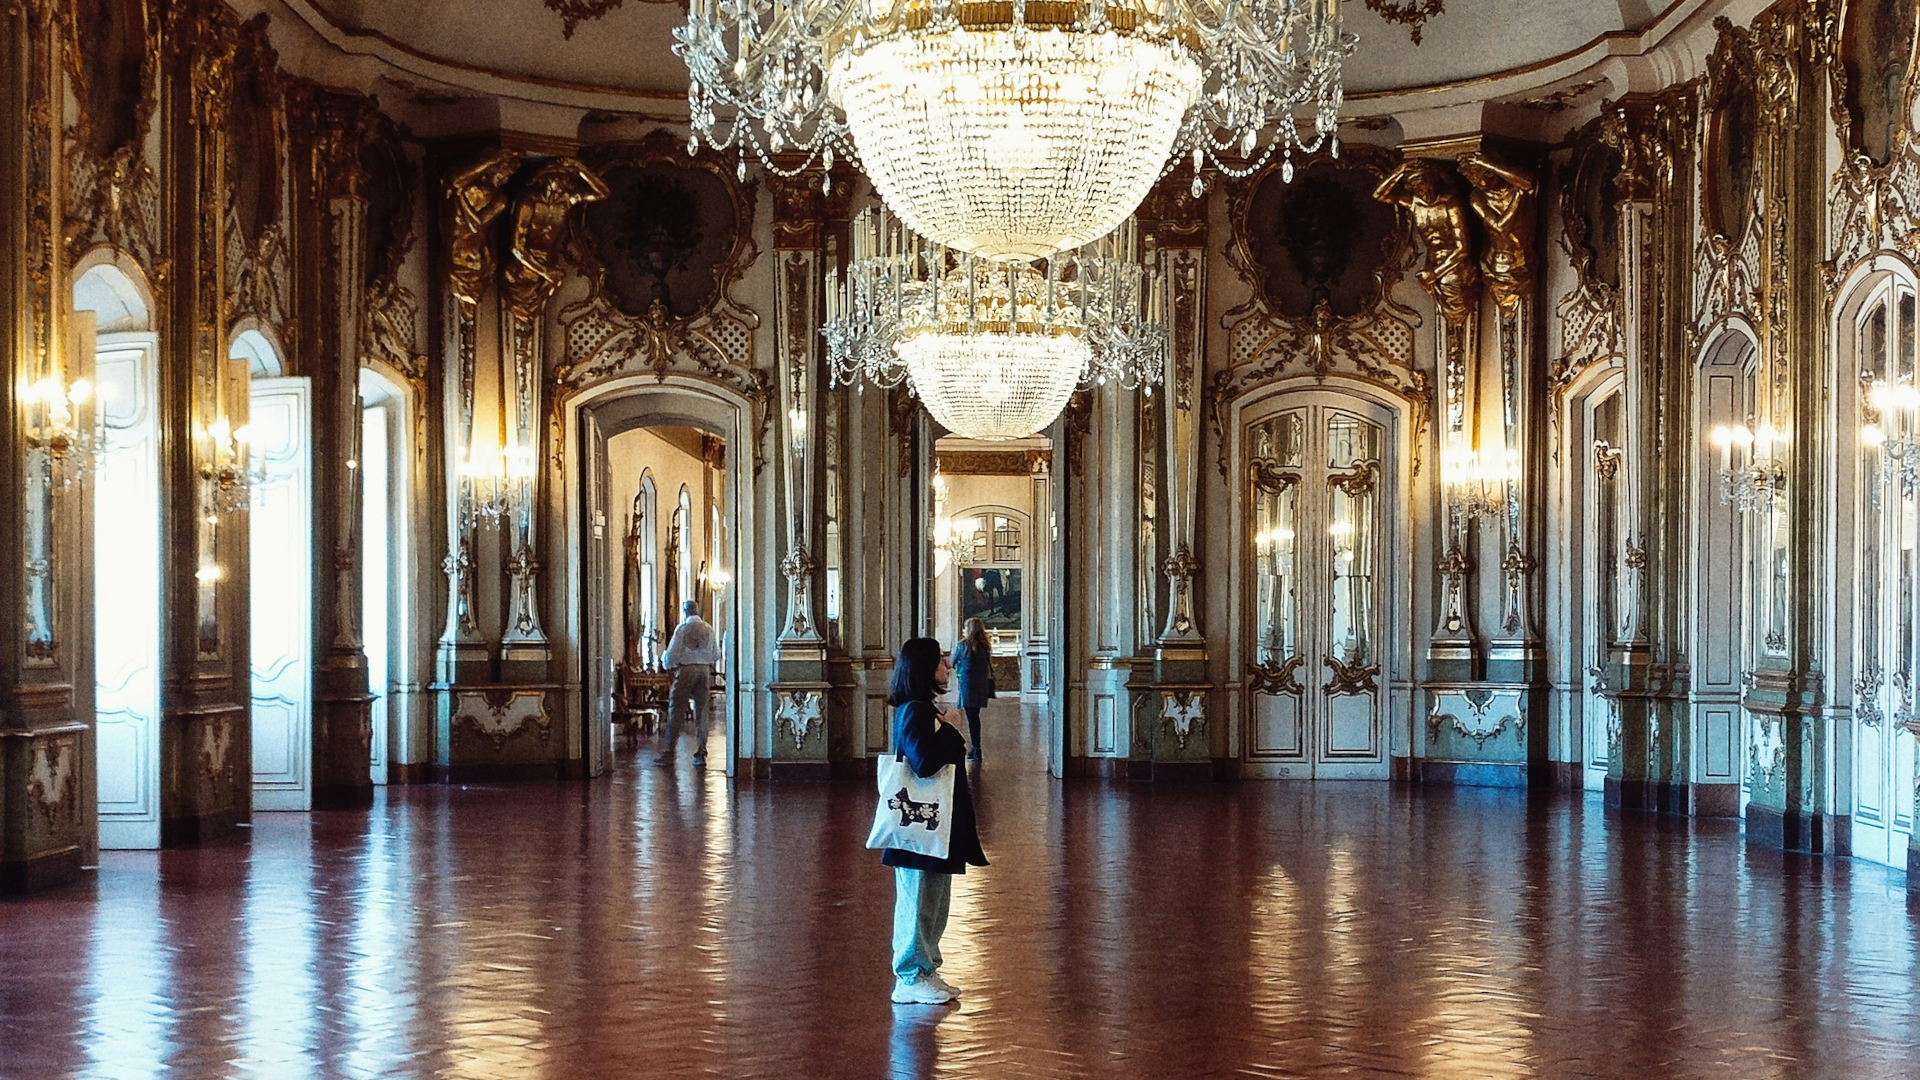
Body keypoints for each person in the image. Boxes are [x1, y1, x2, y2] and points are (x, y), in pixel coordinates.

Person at [882, 637, 988, 1005]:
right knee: (917, 901)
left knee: (934, 901)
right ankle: (909, 975)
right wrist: (951, 729)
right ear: (925, 669)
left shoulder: (924, 709)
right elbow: (924, 762)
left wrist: (943, 725)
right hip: (917, 828)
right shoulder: (915, 710)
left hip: (935, 827)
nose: (949, 668)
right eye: (943, 663)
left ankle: (926, 968)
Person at [657, 599, 722, 767]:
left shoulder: (682, 629)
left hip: (686, 670)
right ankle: (701, 752)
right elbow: (716, 654)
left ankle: (669, 752)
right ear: (697, 610)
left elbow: (671, 655)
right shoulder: (708, 629)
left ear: (685, 612)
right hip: (704, 671)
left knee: (676, 709)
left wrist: (667, 663)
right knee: (702, 711)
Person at [952, 618, 993, 764]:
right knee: (975, 716)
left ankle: (975, 748)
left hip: (968, 683)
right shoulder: (985, 645)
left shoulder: (963, 645)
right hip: (981, 684)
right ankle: (976, 748)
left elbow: (953, 661)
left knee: (971, 717)